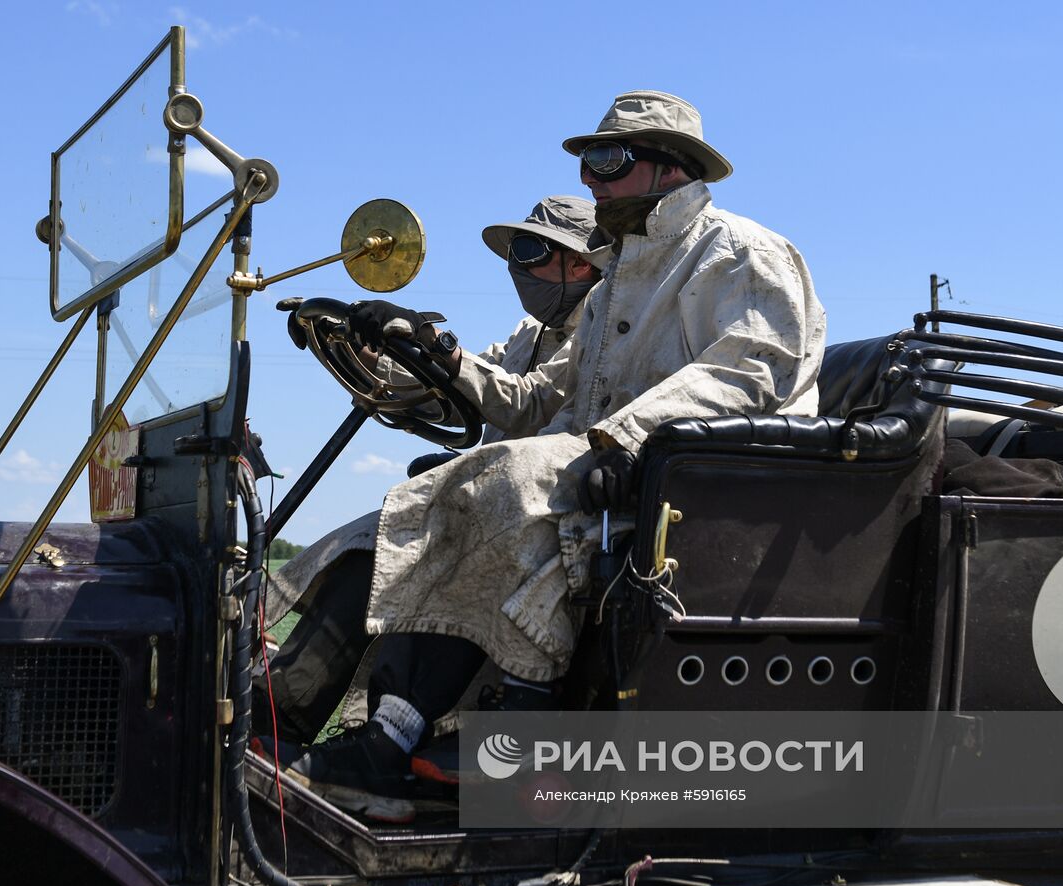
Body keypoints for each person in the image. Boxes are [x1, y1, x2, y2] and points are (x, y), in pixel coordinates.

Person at [284, 89, 828, 823]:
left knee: (503, 479)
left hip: (711, 497)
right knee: (434, 494)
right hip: (618, 482)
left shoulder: (741, 252)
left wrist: (626, 441)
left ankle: (487, 744)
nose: (591, 181)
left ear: (670, 169)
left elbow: (748, 372)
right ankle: (346, 727)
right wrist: (424, 351)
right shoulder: (612, 288)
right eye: (587, 162)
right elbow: (540, 400)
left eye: (608, 160)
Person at [256, 196, 609, 747]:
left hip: (543, 516)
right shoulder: (528, 335)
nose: (517, 267)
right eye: (513, 252)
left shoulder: (603, 333)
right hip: (486, 498)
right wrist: (368, 348)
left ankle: (376, 737)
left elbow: (519, 401)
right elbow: (455, 387)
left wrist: (436, 349)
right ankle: (279, 712)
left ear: (582, 264)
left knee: (409, 543)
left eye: (531, 250)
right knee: (371, 547)